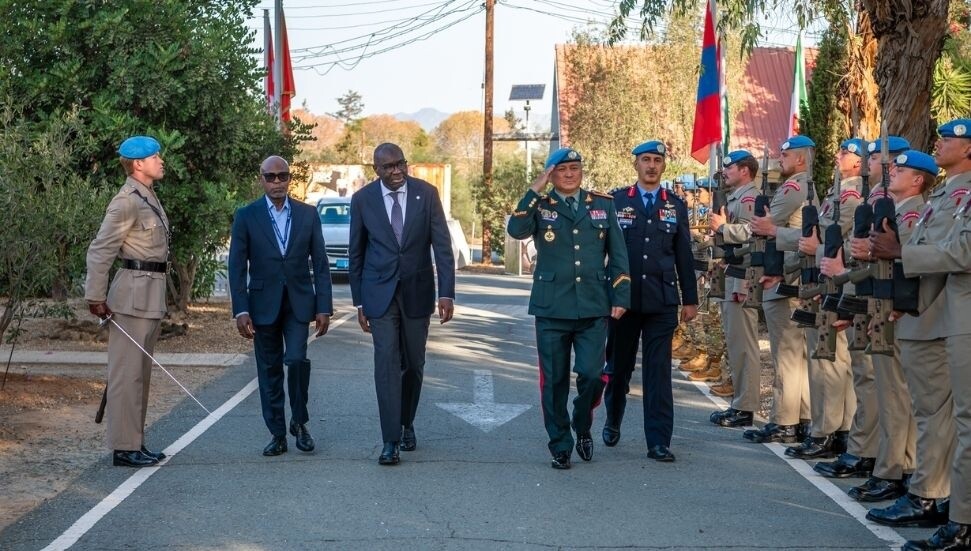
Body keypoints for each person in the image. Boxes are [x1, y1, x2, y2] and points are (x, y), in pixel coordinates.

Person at [868, 121, 971, 542]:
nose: (940, 142)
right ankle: (944, 505)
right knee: (946, 416)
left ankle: (960, 522)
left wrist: (902, 252)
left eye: (950, 138)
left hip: (961, 318)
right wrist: (907, 305)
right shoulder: (944, 196)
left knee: (964, 421)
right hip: (945, 315)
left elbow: (962, 253)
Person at [507, 147, 630, 469]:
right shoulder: (541, 205)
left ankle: (582, 423)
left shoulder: (603, 205)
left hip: (593, 305)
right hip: (551, 307)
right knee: (555, 381)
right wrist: (536, 187)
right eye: (562, 170)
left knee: (591, 375)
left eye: (575, 168)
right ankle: (560, 444)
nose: (570, 174)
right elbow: (516, 230)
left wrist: (621, 297)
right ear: (551, 174)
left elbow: (618, 255)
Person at [821, 145, 926, 503]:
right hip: (873, 301)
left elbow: (904, 265)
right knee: (879, 385)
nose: (880, 165)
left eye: (889, 161)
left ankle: (894, 469)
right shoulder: (880, 204)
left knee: (894, 393)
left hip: (895, 307)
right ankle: (887, 464)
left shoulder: (908, 212)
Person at [349, 143, 455, 466]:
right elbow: (357, 253)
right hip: (379, 294)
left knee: (414, 364)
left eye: (401, 165)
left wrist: (446, 292)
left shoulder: (427, 194)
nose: (397, 172)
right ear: (376, 170)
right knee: (386, 365)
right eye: (389, 167)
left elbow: (442, 245)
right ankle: (390, 440)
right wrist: (359, 302)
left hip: (417, 291)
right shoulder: (363, 200)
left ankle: (407, 421)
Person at [229, 155, 333, 457]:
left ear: (290, 179)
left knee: (297, 361)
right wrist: (241, 309)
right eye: (270, 176)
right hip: (262, 306)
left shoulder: (308, 214)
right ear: (261, 179)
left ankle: (300, 422)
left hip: (300, 303)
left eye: (282, 176)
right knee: (269, 369)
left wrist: (323, 306)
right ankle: (277, 433)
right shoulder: (246, 216)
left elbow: (321, 264)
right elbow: (237, 267)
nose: (277, 182)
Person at [602, 140, 697, 463]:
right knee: (618, 369)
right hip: (623, 302)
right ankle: (612, 419)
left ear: (663, 166)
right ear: (636, 165)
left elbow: (683, 255)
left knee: (658, 374)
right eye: (646, 160)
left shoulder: (675, 205)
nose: (652, 165)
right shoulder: (616, 201)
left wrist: (691, 299)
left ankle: (658, 441)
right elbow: (603, 253)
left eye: (657, 160)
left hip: (662, 301)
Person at [85, 136, 171, 468]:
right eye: (155, 157)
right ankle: (124, 448)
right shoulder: (126, 201)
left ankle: (134, 442)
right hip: (131, 299)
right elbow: (100, 249)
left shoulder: (147, 196)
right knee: (126, 375)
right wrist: (95, 296)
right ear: (138, 164)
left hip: (149, 296)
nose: (161, 161)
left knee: (140, 375)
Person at [745, 136, 814, 444]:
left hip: (784, 277)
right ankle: (800, 418)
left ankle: (785, 420)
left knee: (785, 353)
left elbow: (766, 224)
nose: (780, 158)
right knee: (795, 355)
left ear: (800, 160)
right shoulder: (804, 186)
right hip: (792, 276)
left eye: (785, 154)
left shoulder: (793, 187)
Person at [706, 150, 761, 426]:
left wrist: (725, 228)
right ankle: (740, 401)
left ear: (745, 171)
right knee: (735, 343)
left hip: (742, 276)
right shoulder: (737, 197)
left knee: (744, 345)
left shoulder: (750, 198)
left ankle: (746, 406)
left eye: (730, 168)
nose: (725, 172)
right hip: (732, 273)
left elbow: (755, 232)